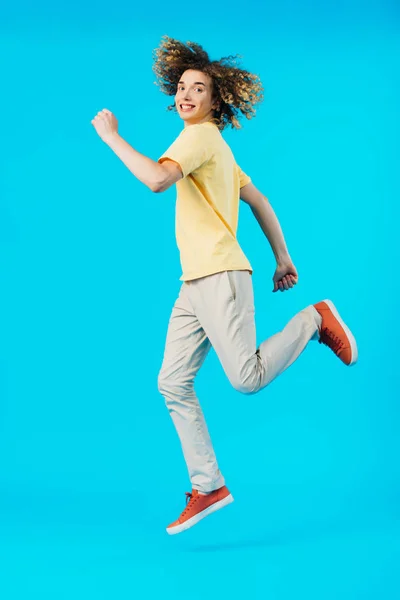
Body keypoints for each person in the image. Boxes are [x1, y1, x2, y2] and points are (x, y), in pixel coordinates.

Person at [91, 35, 358, 536]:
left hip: (219, 275)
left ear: (217, 102)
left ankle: (313, 319)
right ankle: (208, 484)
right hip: (195, 282)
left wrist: (111, 138)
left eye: (200, 89)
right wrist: (283, 257)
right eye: (182, 87)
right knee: (172, 381)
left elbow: (154, 180)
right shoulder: (217, 146)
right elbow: (258, 200)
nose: (187, 96)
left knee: (246, 378)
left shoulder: (198, 137)